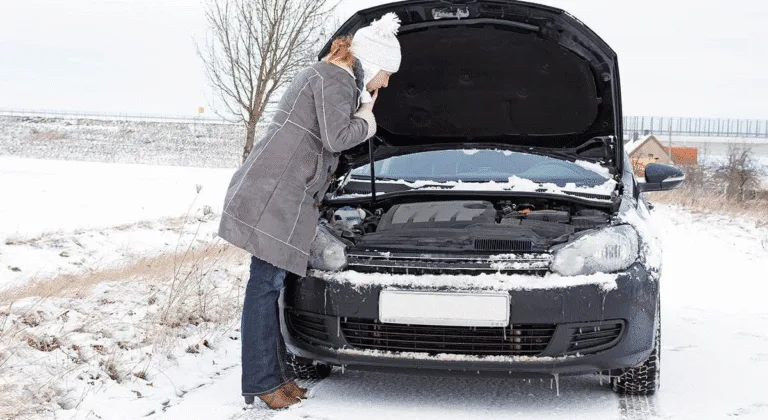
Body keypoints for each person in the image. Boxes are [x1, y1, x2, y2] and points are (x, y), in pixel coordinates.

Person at [217, 12, 403, 409]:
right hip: (276, 192)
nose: (385, 83)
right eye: (386, 74)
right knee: (265, 286)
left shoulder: (333, 76)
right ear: (372, 61)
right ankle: (264, 382)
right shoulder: (335, 78)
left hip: (282, 191)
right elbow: (337, 138)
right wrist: (367, 119)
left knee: (270, 285)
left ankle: (276, 378)